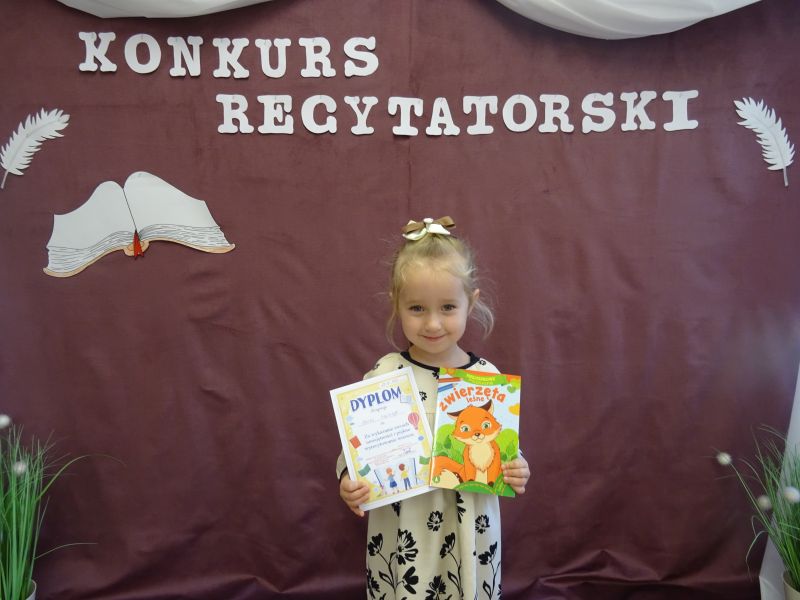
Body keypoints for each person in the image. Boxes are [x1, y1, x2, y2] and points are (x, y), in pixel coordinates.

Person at [337, 216, 530, 600]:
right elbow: (356, 447)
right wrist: (349, 480)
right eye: (417, 308)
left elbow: (502, 448)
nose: (433, 323)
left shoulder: (486, 378)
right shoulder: (385, 374)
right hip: (404, 528)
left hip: (469, 528)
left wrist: (517, 468)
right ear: (396, 304)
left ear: (471, 302)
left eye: (447, 307)